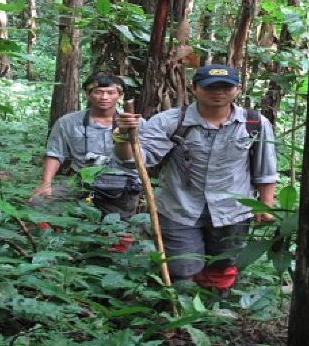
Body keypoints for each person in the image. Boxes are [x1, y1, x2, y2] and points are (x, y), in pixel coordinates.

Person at [114, 64, 278, 289]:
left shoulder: (254, 123)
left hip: (233, 209)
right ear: (194, 88)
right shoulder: (171, 121)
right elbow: (137, 159)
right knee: (182, 266)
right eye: (210, 87)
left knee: (223, 263)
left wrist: (265, 205)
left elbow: (265, 167)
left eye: (225, 87)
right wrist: (124, 137)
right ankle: (181, 309)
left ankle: (213, 311)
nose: (218, 92)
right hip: (180, 207)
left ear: (238, 89)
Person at [31, 73, 142, 221]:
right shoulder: (68, 122)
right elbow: (55, 154)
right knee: (38, 203)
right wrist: (46, 184)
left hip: (122, 185)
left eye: (110, 92)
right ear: (87, 95)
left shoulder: (134, 123)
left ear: (119, 95)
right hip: (82, 182)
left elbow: (144, 158)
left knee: (118, 231)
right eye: (98, 92)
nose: (104, 97)